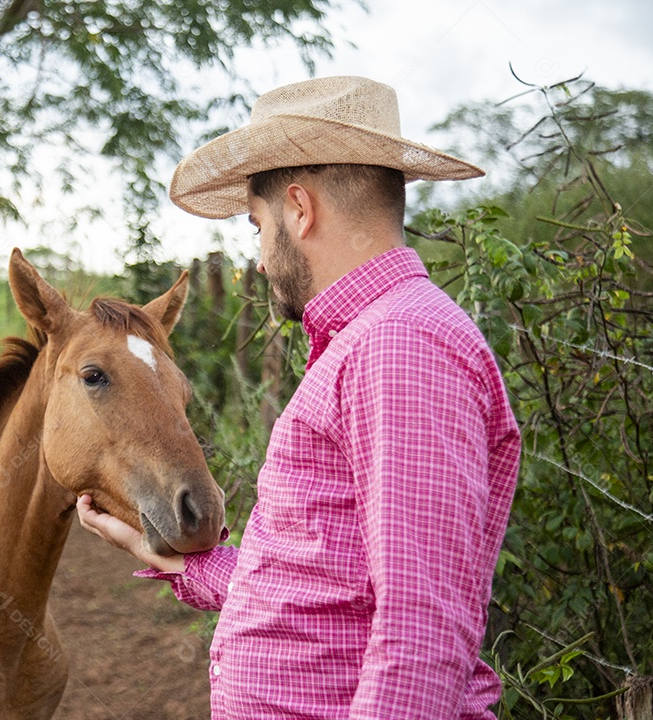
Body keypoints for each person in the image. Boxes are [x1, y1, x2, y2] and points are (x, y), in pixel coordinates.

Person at [77, 76, 521, 719]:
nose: (259, 259)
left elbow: (421, 632)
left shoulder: (398, 347)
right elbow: (316, 586)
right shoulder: (369, 343)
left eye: (258, 226)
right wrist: (159, 555)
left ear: (299, 209)